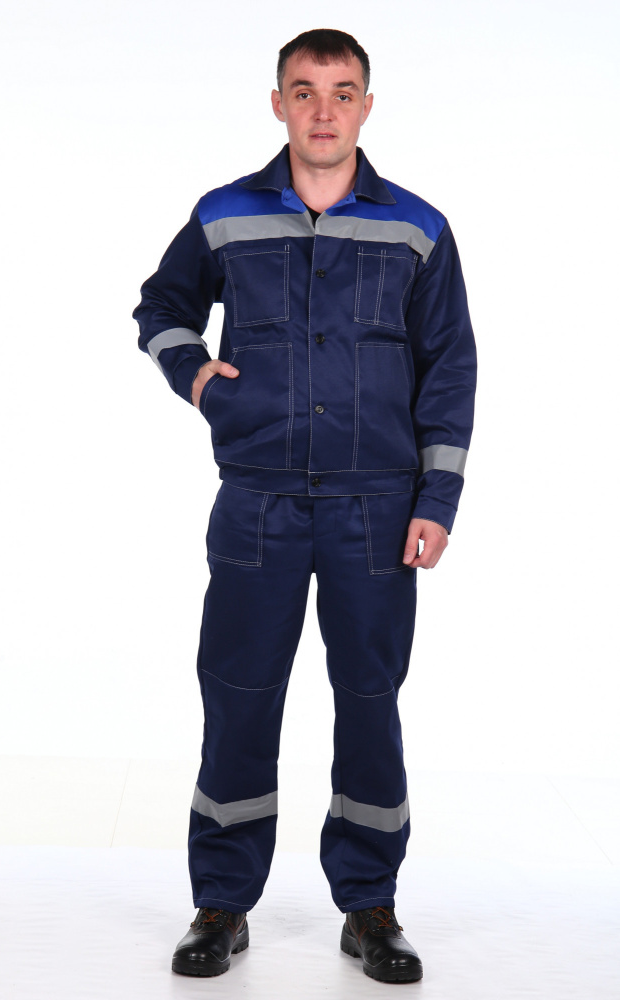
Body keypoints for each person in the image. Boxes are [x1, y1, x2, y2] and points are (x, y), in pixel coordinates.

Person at [132, 27, 476, 984]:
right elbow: (160, 309)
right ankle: (220, 903)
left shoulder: (417, 227)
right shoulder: (224, 214)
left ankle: (369, 907)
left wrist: (437, 497)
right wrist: (196, 376)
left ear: (366, 105)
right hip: (258, 500)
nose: (323, 111)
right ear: (278, 102)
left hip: (377, 508)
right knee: (238, 697)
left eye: (342, 91)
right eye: (304, 90)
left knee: (369, 703)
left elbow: (449, 366)